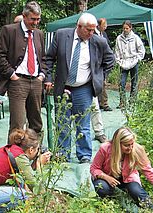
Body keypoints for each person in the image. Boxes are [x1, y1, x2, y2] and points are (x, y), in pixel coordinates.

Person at [45, 13, 115, 163]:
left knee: (83, 124)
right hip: (63, 86)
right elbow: (49, 58)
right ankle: (62, 154)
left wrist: (99, 77)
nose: (91, 33)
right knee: (62, 124)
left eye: (93, 30)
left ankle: (84, 155)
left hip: (84, 88)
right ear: (79, 26)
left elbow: (110, 60)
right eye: (88, 30)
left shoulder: (99, 41)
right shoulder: (61, 35)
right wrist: (48, 78)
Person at [90, 127, 153, 211]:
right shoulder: (105, 149)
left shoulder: (137, 150)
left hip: (128, 177)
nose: (130, 148)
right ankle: (110, 203)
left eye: (132, 144)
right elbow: (94, 168)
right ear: (118, 144)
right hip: (107, 177)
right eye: (126, 145)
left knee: (137, 192)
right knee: (101, 188)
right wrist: (106, 177)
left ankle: (151, 211)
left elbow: (150, 174)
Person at [0, 1, 46, 141]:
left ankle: (36, 156)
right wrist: (12, 75)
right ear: (24, 16)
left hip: (36, 81)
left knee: (36, 122)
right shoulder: (9, 30)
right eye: (32, 19)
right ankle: (12, 159)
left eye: (38, 19)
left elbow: (43, 58)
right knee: (17, 124)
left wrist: (42, 75)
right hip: (18, 82)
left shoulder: (39, 34)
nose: (36, 22)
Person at [115, 20, 145, 108]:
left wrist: (138, 59)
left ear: (130, 28)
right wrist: (118, 61)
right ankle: (122, 102)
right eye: (124, 28)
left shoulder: (135, 38)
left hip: (133, 62)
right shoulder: (119, 38)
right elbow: (117, 51)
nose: (125, 30)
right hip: (123, 63)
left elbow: (141, 49)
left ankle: (132, 101)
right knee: (121, 83)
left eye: (127, 28)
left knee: (134, 83)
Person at [95, 18, 112, 112]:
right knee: (99, 83)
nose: (106, 26)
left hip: (103, 63)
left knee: (103, 83)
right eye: (104, 25)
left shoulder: (104, 34)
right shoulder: (92, 34)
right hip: (95, 63)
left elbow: (108, 46)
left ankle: (104, 103)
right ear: (99, 25)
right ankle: (100, 103)